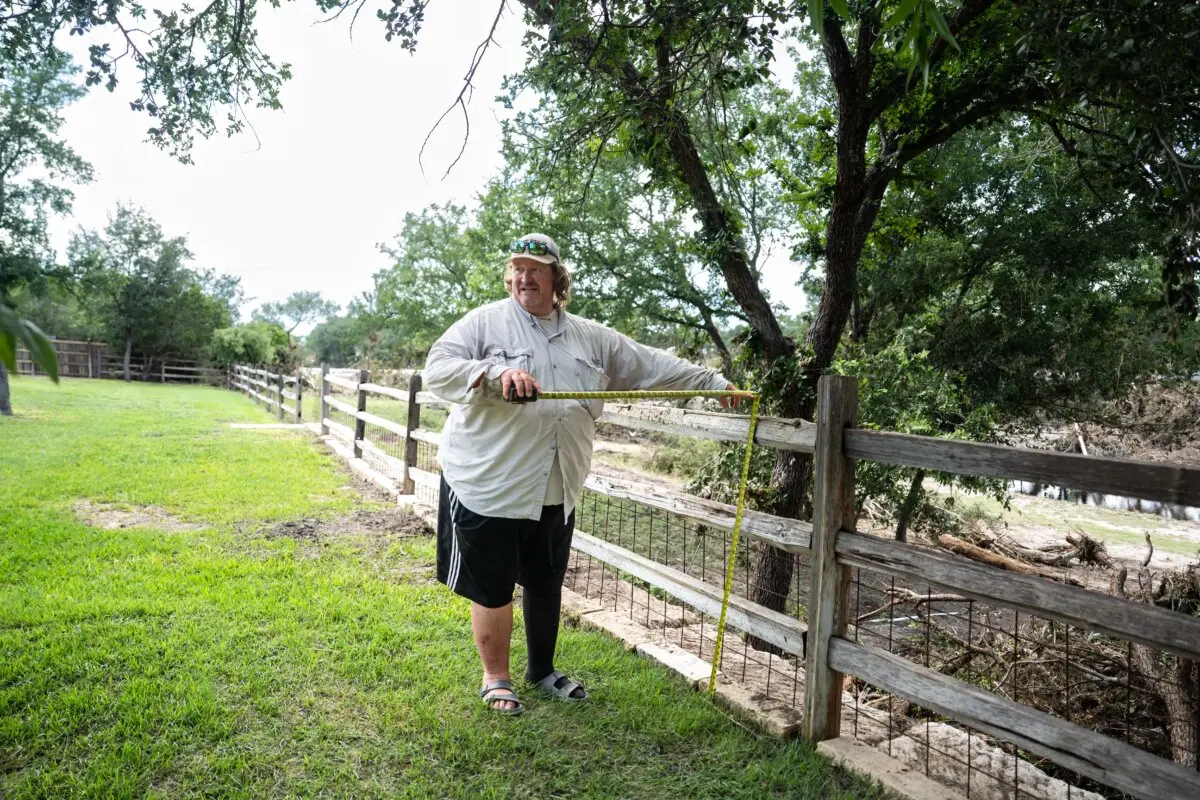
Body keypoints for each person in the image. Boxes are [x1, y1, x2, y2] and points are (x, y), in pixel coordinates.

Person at [423, 233, 738, 714]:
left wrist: (713, 383)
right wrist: (493, 374)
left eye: (537, 269)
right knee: (493, 585)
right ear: (510, 277)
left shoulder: (590, 338)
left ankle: (542, 670)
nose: (525, 277)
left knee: (546, 582)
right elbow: (438, 368)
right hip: (491, 483)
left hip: (557, 484)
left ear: (557, 279)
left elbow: (650, 364)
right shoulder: (483, 324)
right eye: (518, 269)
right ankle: (496, 678)